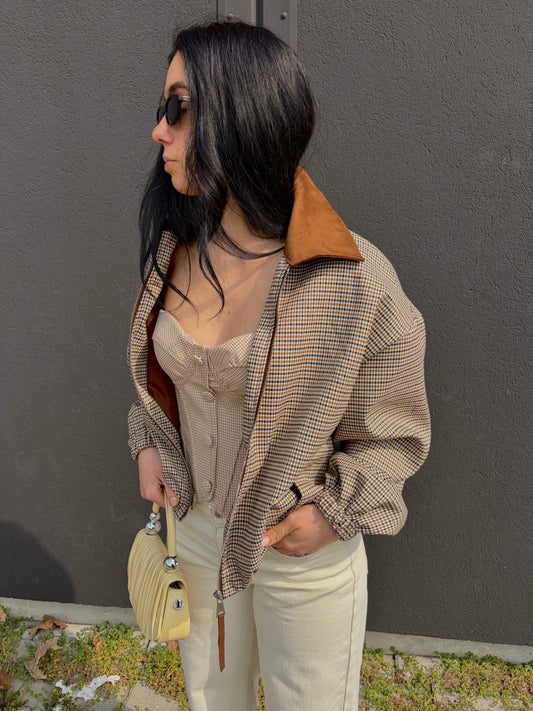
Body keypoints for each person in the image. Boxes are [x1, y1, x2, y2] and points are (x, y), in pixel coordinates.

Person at [127, 20, 430, 711]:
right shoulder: (175, 250)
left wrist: (333, 512)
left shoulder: (349, 277)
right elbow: (159, 382)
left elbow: (395, 430)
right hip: (193, 533)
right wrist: (147, 441)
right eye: (162, 108)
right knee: (210, 697)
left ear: (244, 116)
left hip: (296, 548)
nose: (158, 130)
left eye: (178, 107)